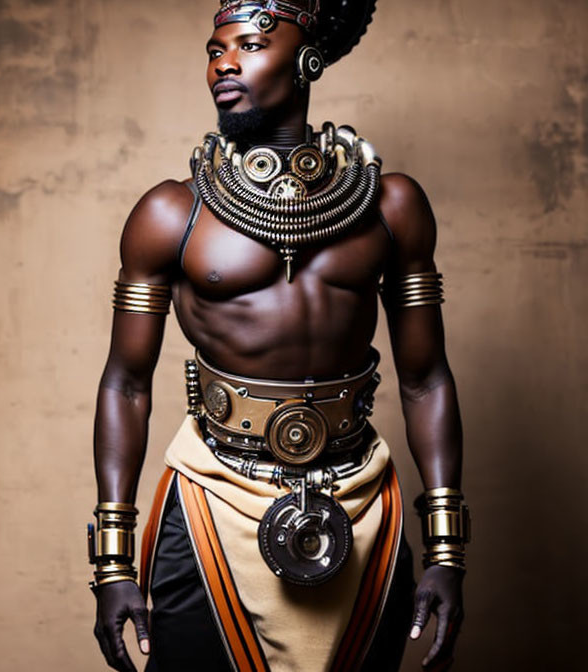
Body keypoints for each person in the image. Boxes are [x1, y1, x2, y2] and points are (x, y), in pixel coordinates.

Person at [87, 2, 470, 670]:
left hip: (359, 500)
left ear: (308, 59)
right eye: (215, 50)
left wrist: (446, 551)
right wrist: (112, 562)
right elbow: (125, 383)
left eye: (251, 45)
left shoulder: (393, 206)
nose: (223, 63)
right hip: (213, 494)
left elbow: (426, 377)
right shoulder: (169, 212)